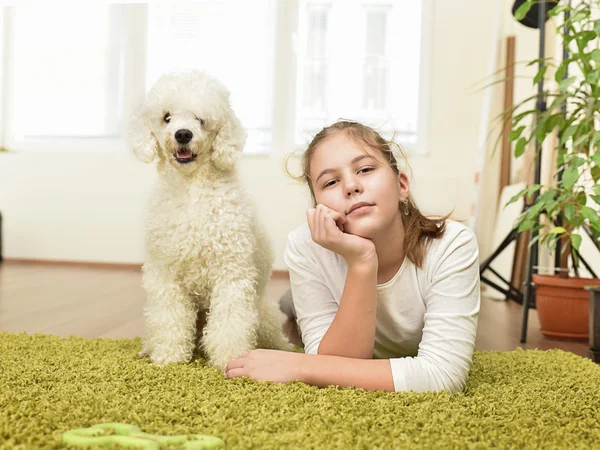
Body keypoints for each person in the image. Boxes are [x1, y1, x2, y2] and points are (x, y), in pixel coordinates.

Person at [225, 120, 480, 393]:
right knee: (289, 305)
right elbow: (338, 368)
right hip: (325, 288)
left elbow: (443, 377)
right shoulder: (304, 244)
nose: (351, 185)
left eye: (366, 169)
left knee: (291, 303)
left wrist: (297, 365)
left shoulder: (453, 244)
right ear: (319, 207)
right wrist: (362, 261)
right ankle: (292, 304)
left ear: (402, 185)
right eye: (331, 182)